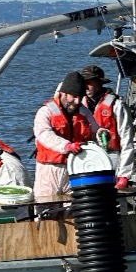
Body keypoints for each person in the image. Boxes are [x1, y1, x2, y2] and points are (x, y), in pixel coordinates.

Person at [32, 70, 99, 200]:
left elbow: (95, 130)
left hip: (75, 169)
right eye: (73, 96)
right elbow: (43, 134)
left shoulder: (84, 112)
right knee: (47, 206)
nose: (77, 101)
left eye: (80, 97)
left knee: (73, 209)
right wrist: (66, 145)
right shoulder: (46, 112)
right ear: (63, 93)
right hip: (50, 168)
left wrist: (102, 133)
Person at [78, 62, 136, 189]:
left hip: (111, 156)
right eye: (84, 82)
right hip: (87, 157)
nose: (86, 86)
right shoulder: (79, 105)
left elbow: (127, 140)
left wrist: (124, 175)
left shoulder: (117, 105)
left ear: (100, 83)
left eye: (90, 82)